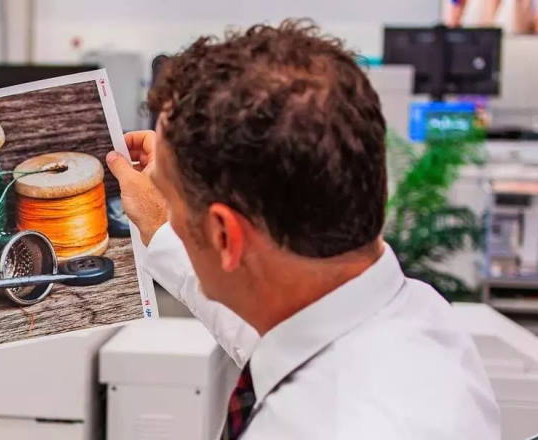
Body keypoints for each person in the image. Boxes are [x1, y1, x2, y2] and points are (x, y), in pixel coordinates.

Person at [104, 21, 501, 439]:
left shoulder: (317, 426)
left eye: (167, 194)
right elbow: (262, 317)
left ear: (225, 237)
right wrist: (165, 228)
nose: (159, 199)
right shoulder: (413, 314)